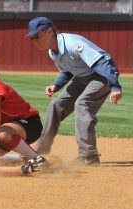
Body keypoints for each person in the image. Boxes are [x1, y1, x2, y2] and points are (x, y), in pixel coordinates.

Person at [24, 17, 122, 165]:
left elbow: (101, 63)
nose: (35, 41)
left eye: (37, 36)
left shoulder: (72, 44)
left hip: (103, 74)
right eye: (32, 38)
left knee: (82, 104)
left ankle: (89, 156)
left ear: (50, 31)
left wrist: (115, 87)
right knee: (56, 105)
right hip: (83, 77)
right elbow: (67, 72)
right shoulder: (53, 52)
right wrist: (56, 85)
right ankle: (40, 152)